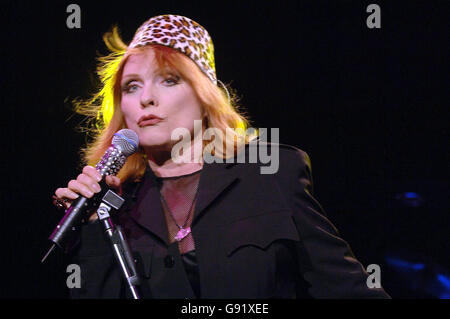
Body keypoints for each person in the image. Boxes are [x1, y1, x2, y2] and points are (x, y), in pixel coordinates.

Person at [53, 14, 390, 298]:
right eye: (132, 86)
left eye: (169, 80)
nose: (146, 99)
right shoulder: (117, 204)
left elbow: (349, 290)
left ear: (205, 96)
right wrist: (95, 227)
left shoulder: (271, 172)